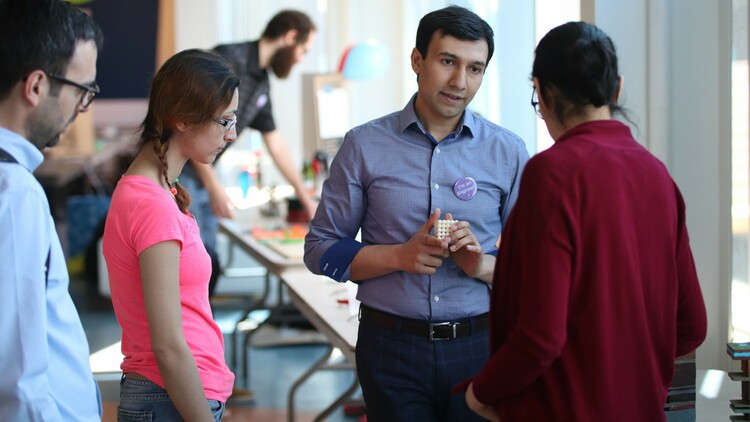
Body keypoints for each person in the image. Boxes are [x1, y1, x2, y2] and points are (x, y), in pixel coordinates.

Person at [463, 22, 708, 421]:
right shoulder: (657, 176)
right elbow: (692, 325)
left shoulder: (552, 174)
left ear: (543, 93)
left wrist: (481, 392)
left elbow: (540, 337)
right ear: (617, 89)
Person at [304, 5, 529, 421]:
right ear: (417, 61)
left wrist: (481, 267)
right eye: (448, 62)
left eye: (475, 69)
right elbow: (319, 250)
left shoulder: (508, 151)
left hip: (479, 346)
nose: (460, 82)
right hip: (390, 347)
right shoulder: (363, 145)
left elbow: (531, 269)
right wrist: (398, 257)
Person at [102, 49, 238, 421]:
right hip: (168, 398)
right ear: (181, 118)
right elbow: (167, 345)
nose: (232, 134)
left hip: (168, 395)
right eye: (224, 121)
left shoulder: (156, 191)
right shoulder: (151, 204)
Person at [0, 0, 103, 420]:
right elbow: (18, 378)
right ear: (37, 86)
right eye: (83, 92)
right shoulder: (15, 194)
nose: (82, 110)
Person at [179, 9, 317, 296]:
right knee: (196, 265)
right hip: (182, 174)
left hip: (203, 177)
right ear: (290, 37)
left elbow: (275, 142)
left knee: (209, 264)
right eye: (303, 49)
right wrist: (214, 187)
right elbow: (194, 126)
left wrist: (306, 199)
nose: (302, 58)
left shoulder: (262, 83)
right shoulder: (228, 59)